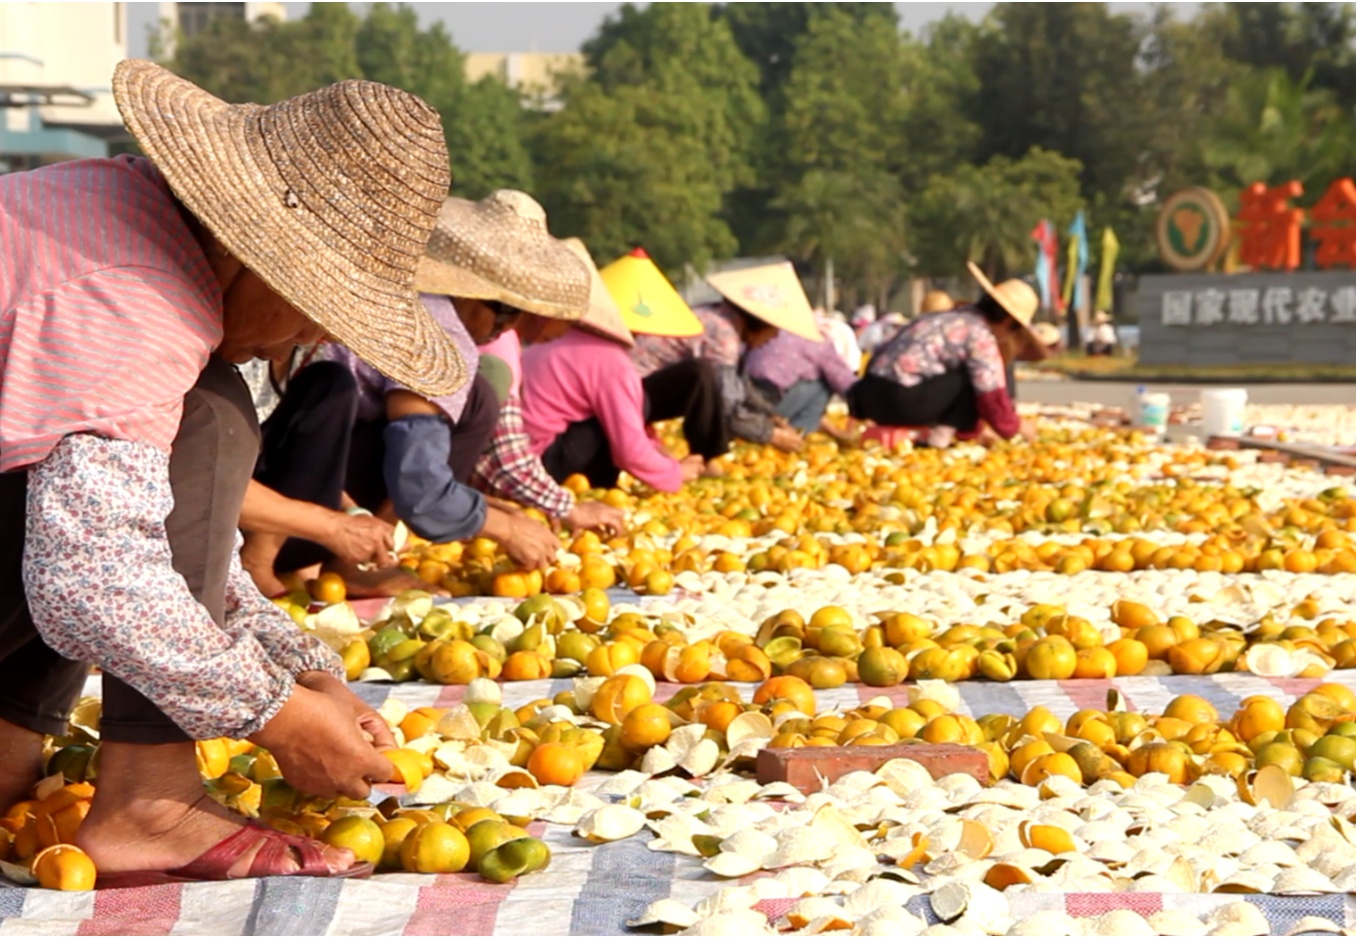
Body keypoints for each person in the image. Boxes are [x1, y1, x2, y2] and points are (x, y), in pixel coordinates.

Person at [1, 62, 460, 883]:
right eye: (318, 312)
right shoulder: (142, 297)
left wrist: (303, 667)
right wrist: (277, 717)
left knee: (156, 445)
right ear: (263, 258)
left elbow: (133, 536)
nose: (301, 344)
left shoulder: (114, 212)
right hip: (80, 563)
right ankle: (152, 802)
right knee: (212, 415)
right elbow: (94, 577)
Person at [331, 191, 592, 573]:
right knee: (480, 397)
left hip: (311, 450)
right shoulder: (445, 337)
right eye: (505, 314)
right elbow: (419, 486)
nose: (505, 329)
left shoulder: (418, 301)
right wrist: (505, 529)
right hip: (311, 468)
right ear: (479, 298)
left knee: (479, 395)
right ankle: (360, 564)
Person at [520, 240, 706, 492]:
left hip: (514, 455)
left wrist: (659, 453)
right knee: (617, 418)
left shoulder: (559, 337)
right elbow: (628, 450)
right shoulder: (612, 362)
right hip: (540, 464)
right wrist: (675, 473)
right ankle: (597, 486)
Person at [470, 244, 628, 534]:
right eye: (567, 321)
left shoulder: (505, 342)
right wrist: (567, 508)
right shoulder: (499, 348)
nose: (564, 334)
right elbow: (506, 460)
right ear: (545, 311)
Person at [236, 350, 414, 599]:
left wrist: (355, 514)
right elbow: (210, 476)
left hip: (286, 524)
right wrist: (332, 527)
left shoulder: (305, 354)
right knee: (331, 383)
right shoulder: (232, 361)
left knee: (332, 382)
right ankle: (256, 562)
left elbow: (309, 457)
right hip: (226, 522)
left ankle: (278, 559)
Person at [629, 261, 821, 453]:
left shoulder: (717, 316)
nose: (775, 337)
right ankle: (706, 457)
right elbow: (728, 408)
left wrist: (771, 417)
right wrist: (771, 435)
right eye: (774, 329)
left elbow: (740, 387)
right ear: (760, 323)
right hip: (632, 394)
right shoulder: (723, 335)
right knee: (708, 386)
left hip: (639, 388)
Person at [847, 262, 1039, 444]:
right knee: (973, 377)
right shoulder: (980, 336)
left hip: (867, 396)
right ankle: (940, 437)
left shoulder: (941, 317)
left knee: (962, 371)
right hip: (900, 402)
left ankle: (947, 433)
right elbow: (992, 399)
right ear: (1007, 321)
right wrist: (1018, 427)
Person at [745, 311, 861, 435]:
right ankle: (799, 434)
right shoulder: (817, 340)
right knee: (823, 385)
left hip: (748, 395)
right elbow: (844, 382)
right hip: (767, 399)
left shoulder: (778, 330)